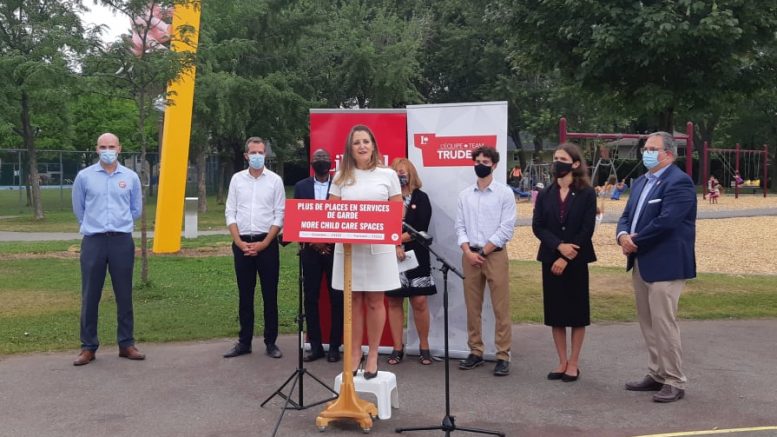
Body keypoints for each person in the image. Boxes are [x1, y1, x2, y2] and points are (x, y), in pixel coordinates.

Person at [616, 131, 696, 403]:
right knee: (648, 323)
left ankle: (675, 380)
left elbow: (667, 221)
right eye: (645, 148)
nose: (646, 152)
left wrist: (635, 241)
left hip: (667, 264)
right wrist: (622, 235)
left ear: (669, 155)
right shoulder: (640, 182)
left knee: (664, 323)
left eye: (652, 148)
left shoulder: (679, 183)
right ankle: (657, 373)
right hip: (641, 262)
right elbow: (627, 215)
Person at [329, 125, 402, 380]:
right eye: (357, 142)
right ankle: (353, 352)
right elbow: (332, 212)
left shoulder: (388, 174)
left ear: (373, 146)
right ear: (350, 148)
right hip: (349, 251)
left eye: (366, 142)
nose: (362, 146)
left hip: (377, 249)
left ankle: (373, 354)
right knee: (354, 301)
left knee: (374, 301)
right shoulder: (340, 176)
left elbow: (396, 211)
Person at [71, 132, 144, 366]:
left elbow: (136, 209)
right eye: (103, 146)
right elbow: (79, 208)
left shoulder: (131, 177)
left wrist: (120, 224)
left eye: (111, 146)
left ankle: (126, 343)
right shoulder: (84, 177)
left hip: (121, 240)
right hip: (94, 241)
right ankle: (88, 346)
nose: (107, 150)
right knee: (90, 294)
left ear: (119, 149)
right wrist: (93, 225)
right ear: (96, 149)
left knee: (124, 294)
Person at [532, 143, 597, 383]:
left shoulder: (587, 193)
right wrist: (558, 247)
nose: (557, 162)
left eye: (562, 158)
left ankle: (574, 362)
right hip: (550, 259)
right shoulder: (545, 193)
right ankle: (561, 361)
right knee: (556, 313)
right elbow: (538, 226)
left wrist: (567, 256)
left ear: (575, 164)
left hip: (576, 260)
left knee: (577, 313)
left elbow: (586, 229)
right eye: (555, 157)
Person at [455, 146, 516, 376]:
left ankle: (502, 354)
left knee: (501, 307)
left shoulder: (504, 193)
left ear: (495, 165)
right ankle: (476, 351)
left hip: (495, 254)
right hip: (469, 255)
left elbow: (506, 228)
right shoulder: (464, 195)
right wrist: (468, 251)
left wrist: (485, 251)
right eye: (477, 160)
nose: (481, 164)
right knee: (472, 307)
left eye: (486, 161)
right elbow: (459, 226)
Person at [223, 137, 285, 359]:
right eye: (253, 153)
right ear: (246, 155)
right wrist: (239, 242)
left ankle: (271, 342)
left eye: (261, 152)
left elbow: (280, 214)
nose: (257, 156)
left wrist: (265, 243)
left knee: (270, 294)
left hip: (266, 244)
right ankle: (244, 341)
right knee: (245, 295)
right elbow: (230, 211)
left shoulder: (275, 181)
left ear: (265, 155)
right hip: (242, 242)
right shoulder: (237, 180)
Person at [293, 149, 343, 363]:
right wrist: (315, 242)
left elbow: (343, 216)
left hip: (334, 250)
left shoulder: (340, 186)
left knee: (336, 298)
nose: (321, 163)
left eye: (324, 160)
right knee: (310, 298)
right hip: (310, 250)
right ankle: (315, 347)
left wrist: (327, 242)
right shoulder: (301, 186)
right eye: (317, 160)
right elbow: (298, 218)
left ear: (331, 164)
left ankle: (334, 346)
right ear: (312, 164)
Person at [386, 158, 436, 366]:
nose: (401, 175)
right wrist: (395, 245)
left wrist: (400, 241)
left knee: (419, 301)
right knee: (394, 301)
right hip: (390, 256)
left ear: (411, 174)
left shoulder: (421, 198)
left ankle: (424, 347)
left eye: (404, 172)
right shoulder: (386, 199)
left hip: (417, 256)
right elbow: (383, 225)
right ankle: (398, 348)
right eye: (397, 172)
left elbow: (422, 226)